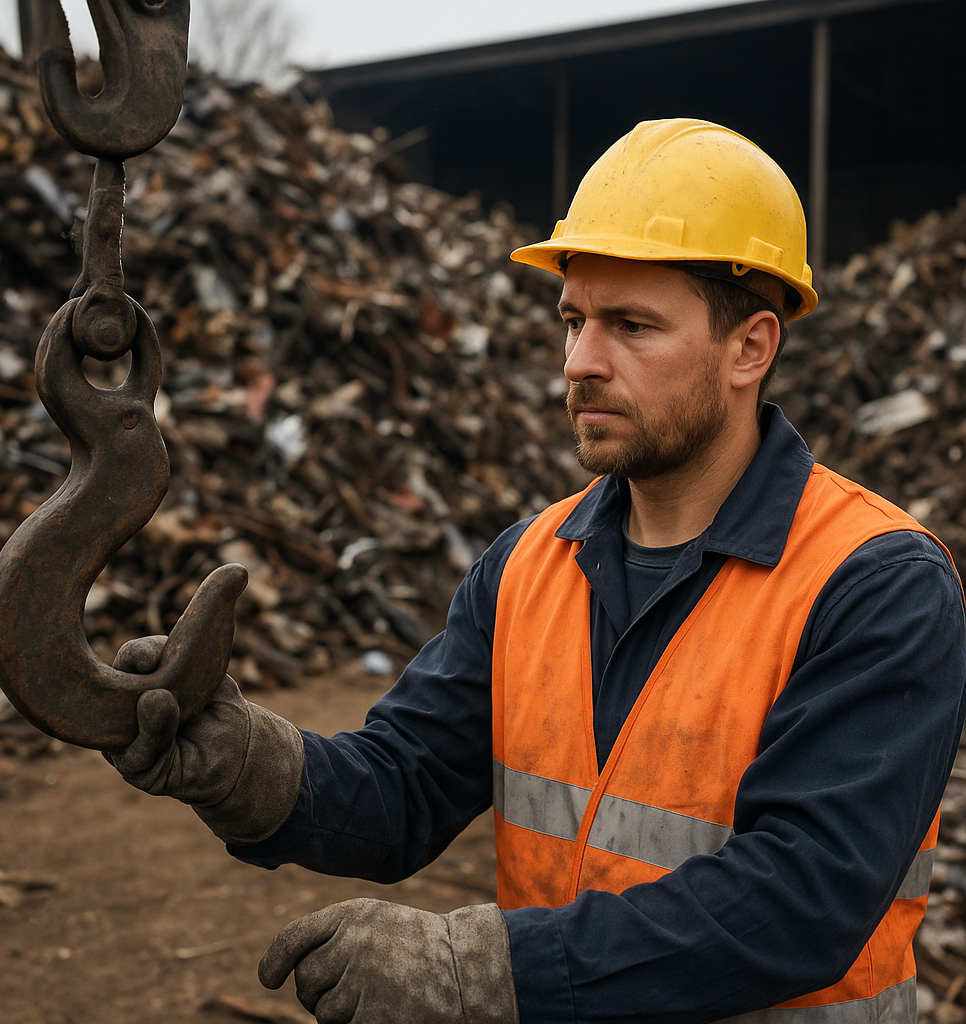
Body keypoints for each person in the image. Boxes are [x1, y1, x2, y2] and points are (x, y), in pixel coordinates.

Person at [105, 118, 966, 1024]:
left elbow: (802, 901)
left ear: (750, 348)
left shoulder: (875, 582)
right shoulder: (529, 564)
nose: (579, 363)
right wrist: (251, 768)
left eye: (631, 325)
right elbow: (405, 787)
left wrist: (478, 972)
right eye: (573, 320)